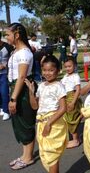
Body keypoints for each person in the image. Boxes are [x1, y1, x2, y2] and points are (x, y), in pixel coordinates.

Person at [25, 55, 67, 173]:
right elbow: (35, 106)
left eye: (51, 70)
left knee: (52, 156)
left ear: (58, 71)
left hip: (53, 123)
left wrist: (49, 124)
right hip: (41, 123)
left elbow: (63, 108)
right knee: (47, 156)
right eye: (44, 70)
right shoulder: (42, 86)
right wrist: (31, 92)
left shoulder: (59, 86)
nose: (47, 73)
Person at [6, 23, 37, 170]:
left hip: (23, 91)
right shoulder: (16, 51)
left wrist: (14, 98)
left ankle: (29, 157)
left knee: (26, 124)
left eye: (8, 34)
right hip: (16, 88)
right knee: (19, 123)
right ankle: (25, 155)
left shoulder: (24, 53)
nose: (6, 37)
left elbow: (22, 76)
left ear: (16, 35)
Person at [61, 56, 82, 149]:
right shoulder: (65, 76)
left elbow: (77, 90)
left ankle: (75, 140)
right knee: (66, 119)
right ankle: (71, 138)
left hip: (72, 98)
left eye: (70, 66)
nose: (68, 68)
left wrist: (73, 102)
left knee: (72, 119)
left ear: (75, 66)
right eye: (66, 67)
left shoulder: (75, 76)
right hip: (65, 98)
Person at [0, 37, 13, 121]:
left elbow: (12, 58)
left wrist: (4, 65)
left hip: (4, 73)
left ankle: (6, 111)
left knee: (4, 92)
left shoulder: (7, 46)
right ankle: (1, 107)